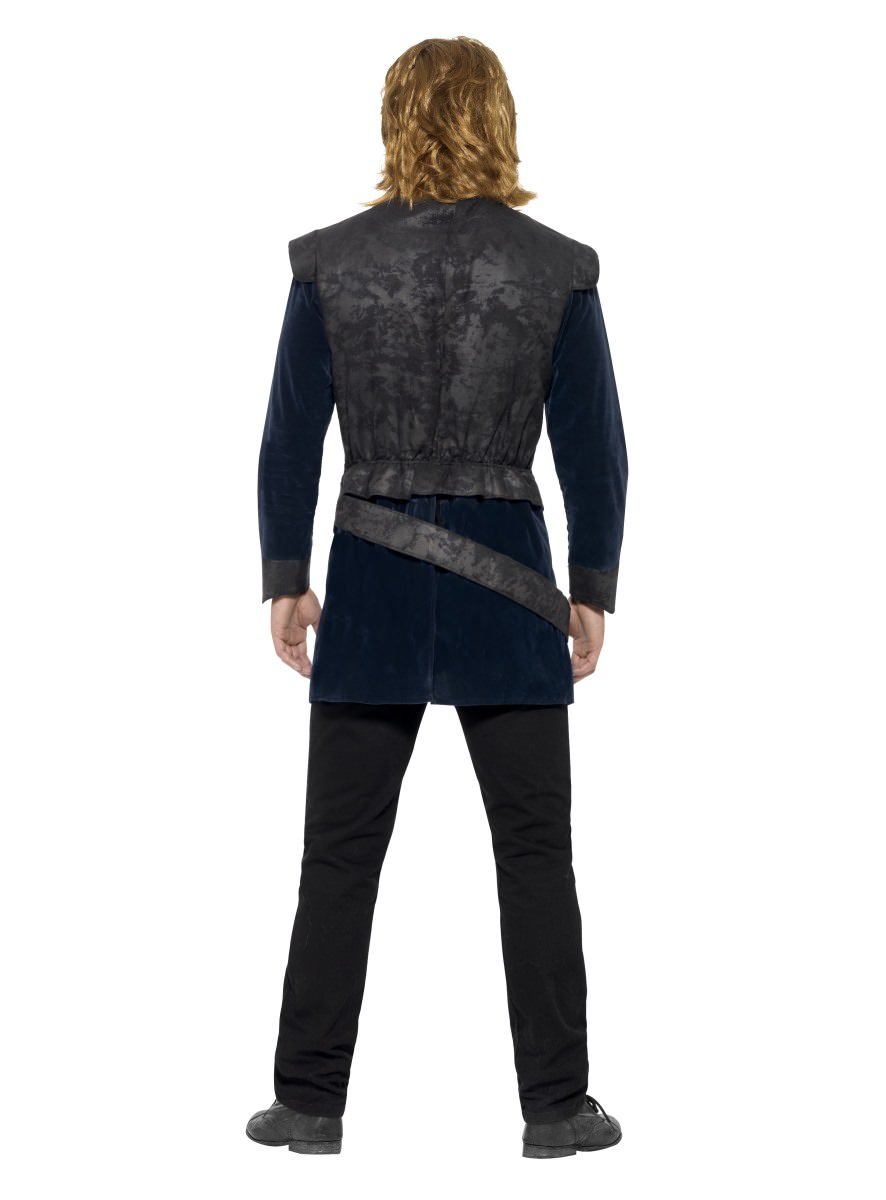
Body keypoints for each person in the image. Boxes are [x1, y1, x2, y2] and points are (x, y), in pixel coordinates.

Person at [246, 36, 628, 1160]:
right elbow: (596, 451)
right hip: (511, 589)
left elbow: (288, 440)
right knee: (535, 853)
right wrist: (591, 587)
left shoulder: (329, 262)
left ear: (394, 116)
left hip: (369, 584)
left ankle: (308, 1104)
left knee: (338, 854)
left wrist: (286, 579)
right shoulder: (558, 268)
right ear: (498, 117)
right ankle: (556, 1110)